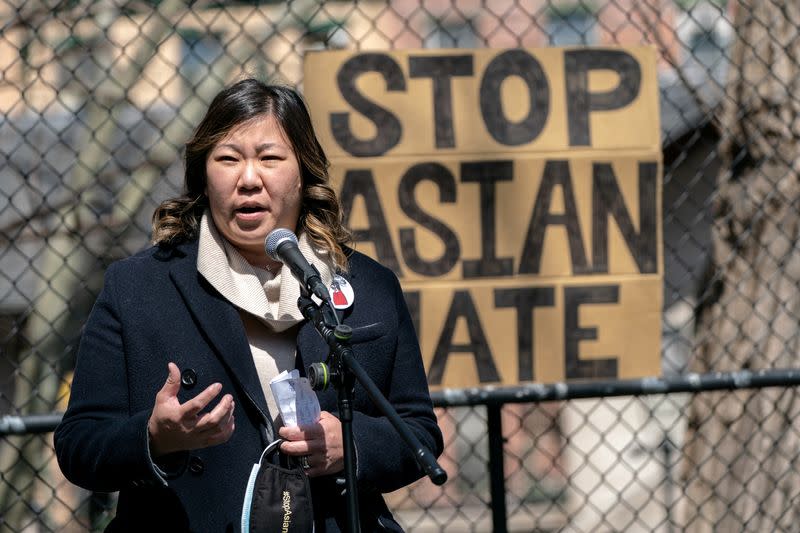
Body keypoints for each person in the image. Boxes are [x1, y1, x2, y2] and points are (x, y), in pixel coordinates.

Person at [54, 78, 444, 532]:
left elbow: (419, 434)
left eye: (270, 158)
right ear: (204, 174)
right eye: (228, 159)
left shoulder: (367, 286)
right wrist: (155, 437)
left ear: (304, 171)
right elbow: (79, 445)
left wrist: (351, 446)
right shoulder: (137, 288)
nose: (248, 179)